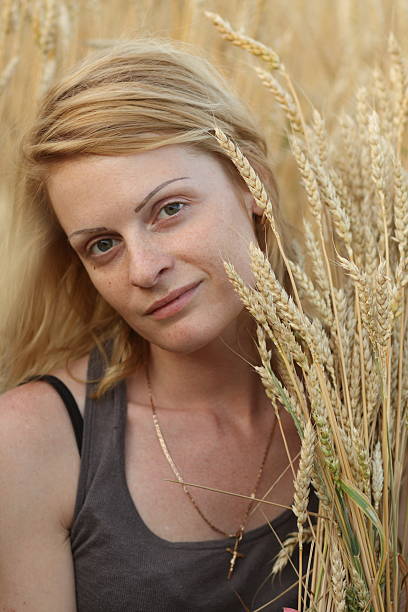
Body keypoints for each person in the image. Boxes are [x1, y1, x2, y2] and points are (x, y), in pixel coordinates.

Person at [0, 38, 314, 611]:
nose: (144, 270)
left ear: (253, 187)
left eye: (169, 209)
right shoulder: (34, 443)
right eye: (102, 245)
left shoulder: (377, 407)